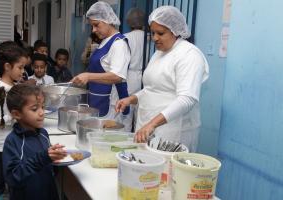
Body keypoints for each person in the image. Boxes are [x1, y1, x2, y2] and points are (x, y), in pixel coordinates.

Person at [115, 6, 209, 152]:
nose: (155, 38)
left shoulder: (189, 55)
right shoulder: (159, 53)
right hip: (148, 124)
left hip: (174, 129)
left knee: (166, 171)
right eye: (153, 33)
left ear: (176, 32)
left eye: (160, 33)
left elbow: (187, 99)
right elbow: (152, 89)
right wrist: (131, 99)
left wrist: (153, 123)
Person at [71, 1, 131, 131]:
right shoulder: (105, 41)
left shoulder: (119, 44)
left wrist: (88, 76)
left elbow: (117, 76)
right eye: (92, 26)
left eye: (96, 25)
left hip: (112, 104)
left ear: (108, 20)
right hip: (98, 100)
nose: (93, 30)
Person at [3, 84, 67, 200]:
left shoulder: (43, 134)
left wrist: (55, 159)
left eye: (43, 107)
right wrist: (42, 158)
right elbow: (12, 177)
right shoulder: (13, 141)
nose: (42, 112)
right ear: (17, 114)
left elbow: (48, 167)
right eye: (34, 109)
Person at [0, 42, 27, 200]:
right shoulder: (1, 89)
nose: (23, 71)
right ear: (7, 67)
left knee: (11, 178)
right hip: (0, 145)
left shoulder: (13, 86)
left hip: (10, 142)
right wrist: (16, 116)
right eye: (20, 67)